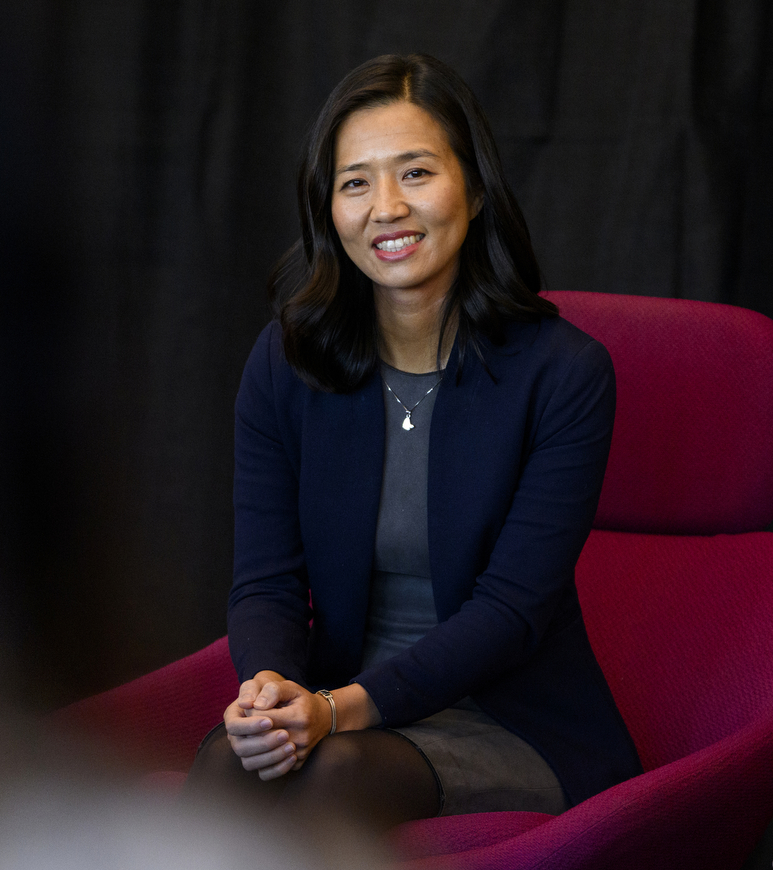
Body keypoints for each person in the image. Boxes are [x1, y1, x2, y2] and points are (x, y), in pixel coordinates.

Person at [184, 53, 642, 828]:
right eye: (355, 182)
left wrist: (336, 713)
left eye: (416, 173)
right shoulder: (285, 362)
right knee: (228, 766)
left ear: (473, 185)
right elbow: (265, 582)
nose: (385, 207)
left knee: (333, 777)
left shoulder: (564, 375)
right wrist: (270, 693)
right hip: (335, 701)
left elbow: (511, 613)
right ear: (327, 207)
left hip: (508, 718)